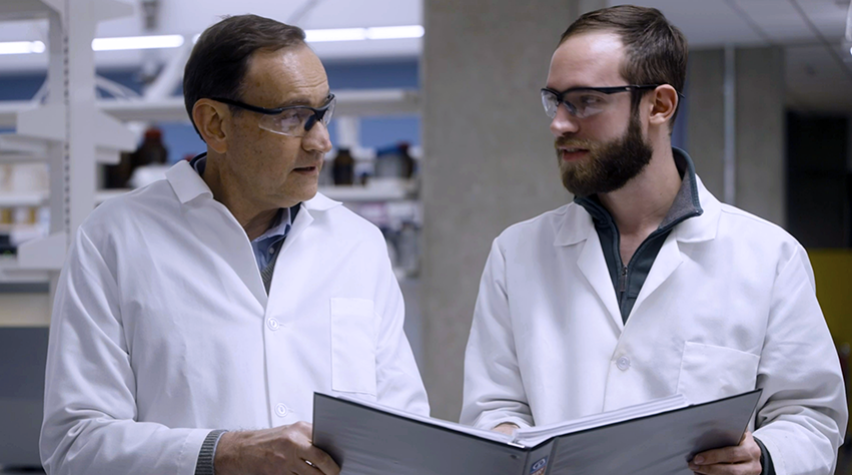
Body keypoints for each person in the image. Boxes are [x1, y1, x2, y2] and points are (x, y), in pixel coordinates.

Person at [460, 5, 847, 475]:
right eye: (555, 100)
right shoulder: (516, 253)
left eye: (584, 101)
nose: (559, 124)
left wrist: (763, 459)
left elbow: (811, 416)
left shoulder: (769, 256)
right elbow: (494, 407)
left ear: (659, 106)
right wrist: (504, 443)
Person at [40, 14, 429, 475]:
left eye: (323, 112)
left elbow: (405, 426)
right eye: (292, 118)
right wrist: (224, 453)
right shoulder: (114, 240)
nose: (321, 141)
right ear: (215, 124)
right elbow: (75, 444)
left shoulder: (356, 244)